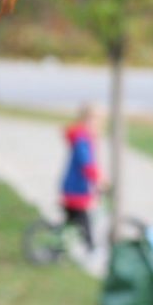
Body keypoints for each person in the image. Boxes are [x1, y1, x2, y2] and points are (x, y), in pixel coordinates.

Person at [61, 104, 101, 252]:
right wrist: (97, 178)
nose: (96, 123)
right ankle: (90, 248)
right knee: (83, 219)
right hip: (76, 186)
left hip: (76, 185)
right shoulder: (81, 138)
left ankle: (60, 248)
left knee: (72, 221)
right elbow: (86, 162)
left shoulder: (84, 137)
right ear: (86, 119)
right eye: (94, 119)